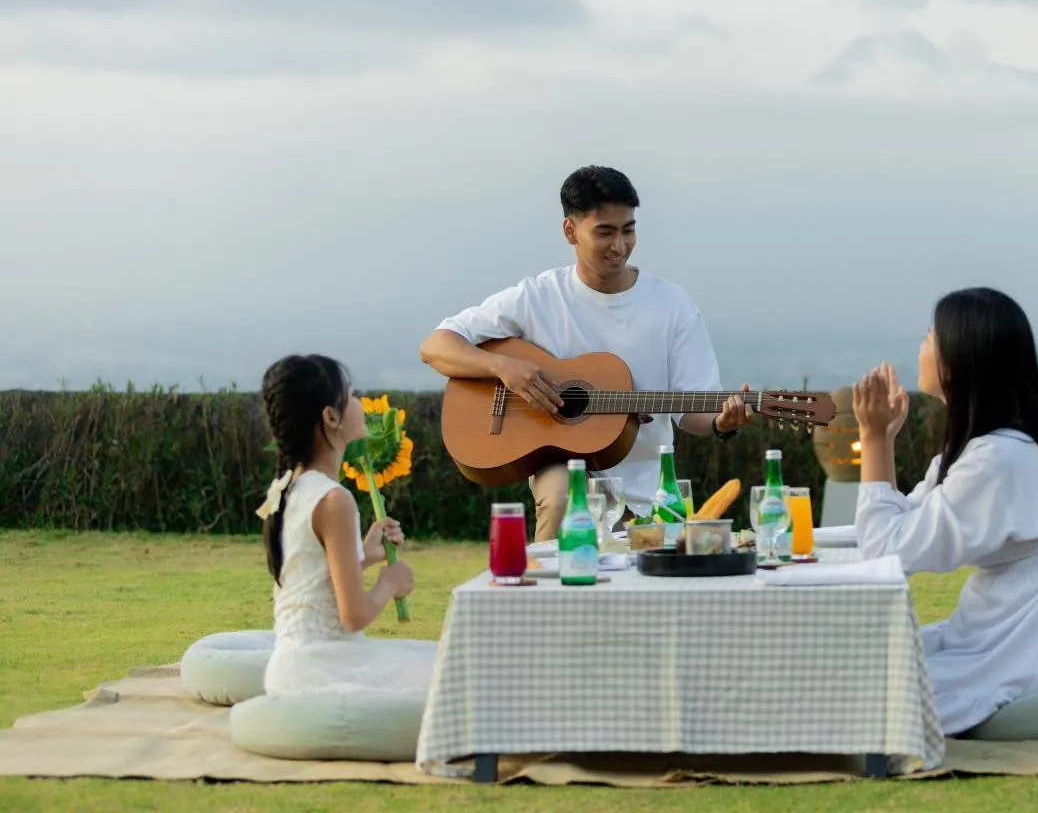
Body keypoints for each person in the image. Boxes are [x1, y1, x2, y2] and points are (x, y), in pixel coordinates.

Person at [850, 287, 1038, 741]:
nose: (922, 345)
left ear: (958, 359)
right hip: (994, 640)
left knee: (864, 692)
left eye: (930, 336)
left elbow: (887, 548)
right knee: (865, 664)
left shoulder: (998, 462)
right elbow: (898, 522)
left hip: (1020, 660)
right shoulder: (984, 451)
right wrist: (883, 439)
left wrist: (871, 439)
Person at [419, 165, 753, 541]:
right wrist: (503, 367)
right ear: (570, 231)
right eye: (605, 232)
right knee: (563, 495)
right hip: (560, 466)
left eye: (629, 230)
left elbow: (693, 411)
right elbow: (436, 346)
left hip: (650, 489)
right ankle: (548, 593)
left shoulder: (673, 305)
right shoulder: (538, 297)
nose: (620, 245)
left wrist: (721, 424)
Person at [256, 353, 434, 698]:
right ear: (331, 416)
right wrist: (389, 583)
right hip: (325, 670)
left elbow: (310, 578)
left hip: (289, 668)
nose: (360, 402)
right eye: (351, 394)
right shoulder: (334, 499)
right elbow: (353, 616)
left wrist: (364, 554)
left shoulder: (292, 486)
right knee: (449, 669)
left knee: (431, 657)